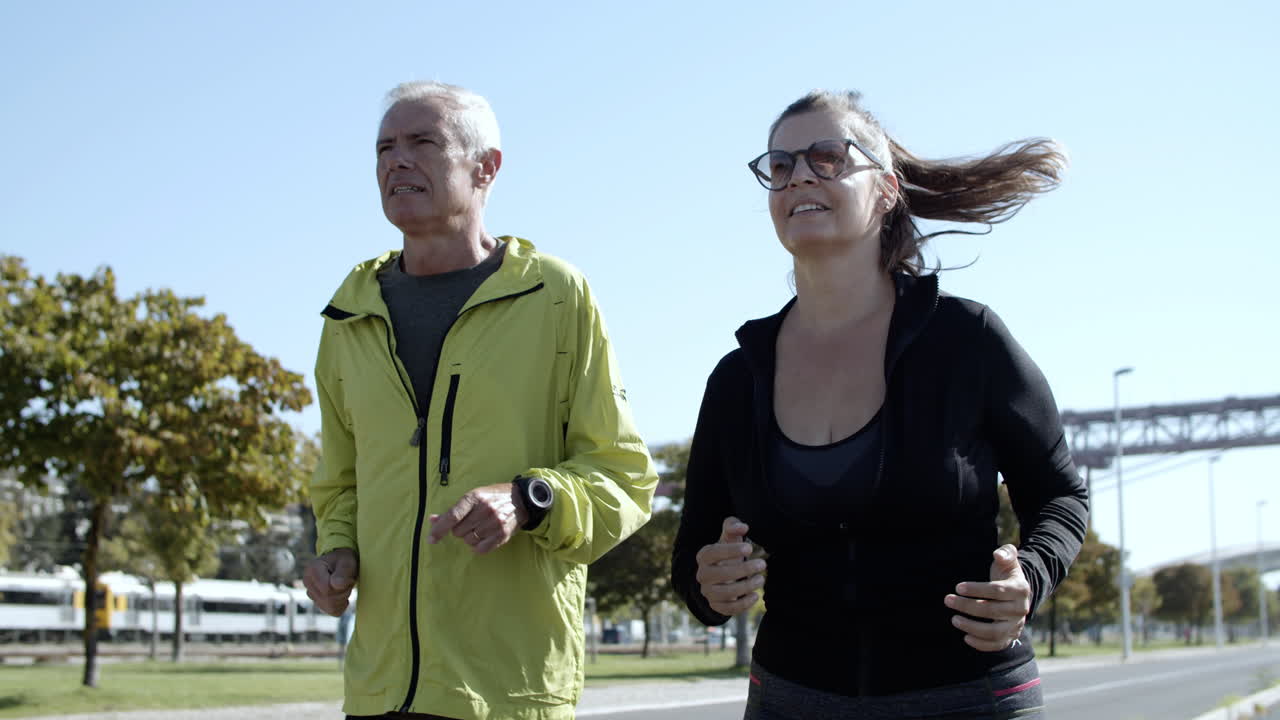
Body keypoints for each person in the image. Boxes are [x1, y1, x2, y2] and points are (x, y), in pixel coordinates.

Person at [671, 90, 1089, 719]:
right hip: (791, 697)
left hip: (967, 696)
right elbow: (694, 552)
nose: (801, 175)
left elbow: (1059, 494)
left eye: (829, 157)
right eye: (780, 166)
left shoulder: (968, 339)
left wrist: (1029, 575)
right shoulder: (737, 378)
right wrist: (711, 586)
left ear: (887, 189)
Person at [304, 81, 658, 720]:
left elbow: (625, 478)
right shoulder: (347, 313)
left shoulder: (557, 296)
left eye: (422, 142)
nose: (395, 160)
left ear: (486, 167)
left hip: (508, 693)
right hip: (378, 691)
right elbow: (340, 485)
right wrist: (337, 552)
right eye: (384, 147)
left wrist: (529, 499)